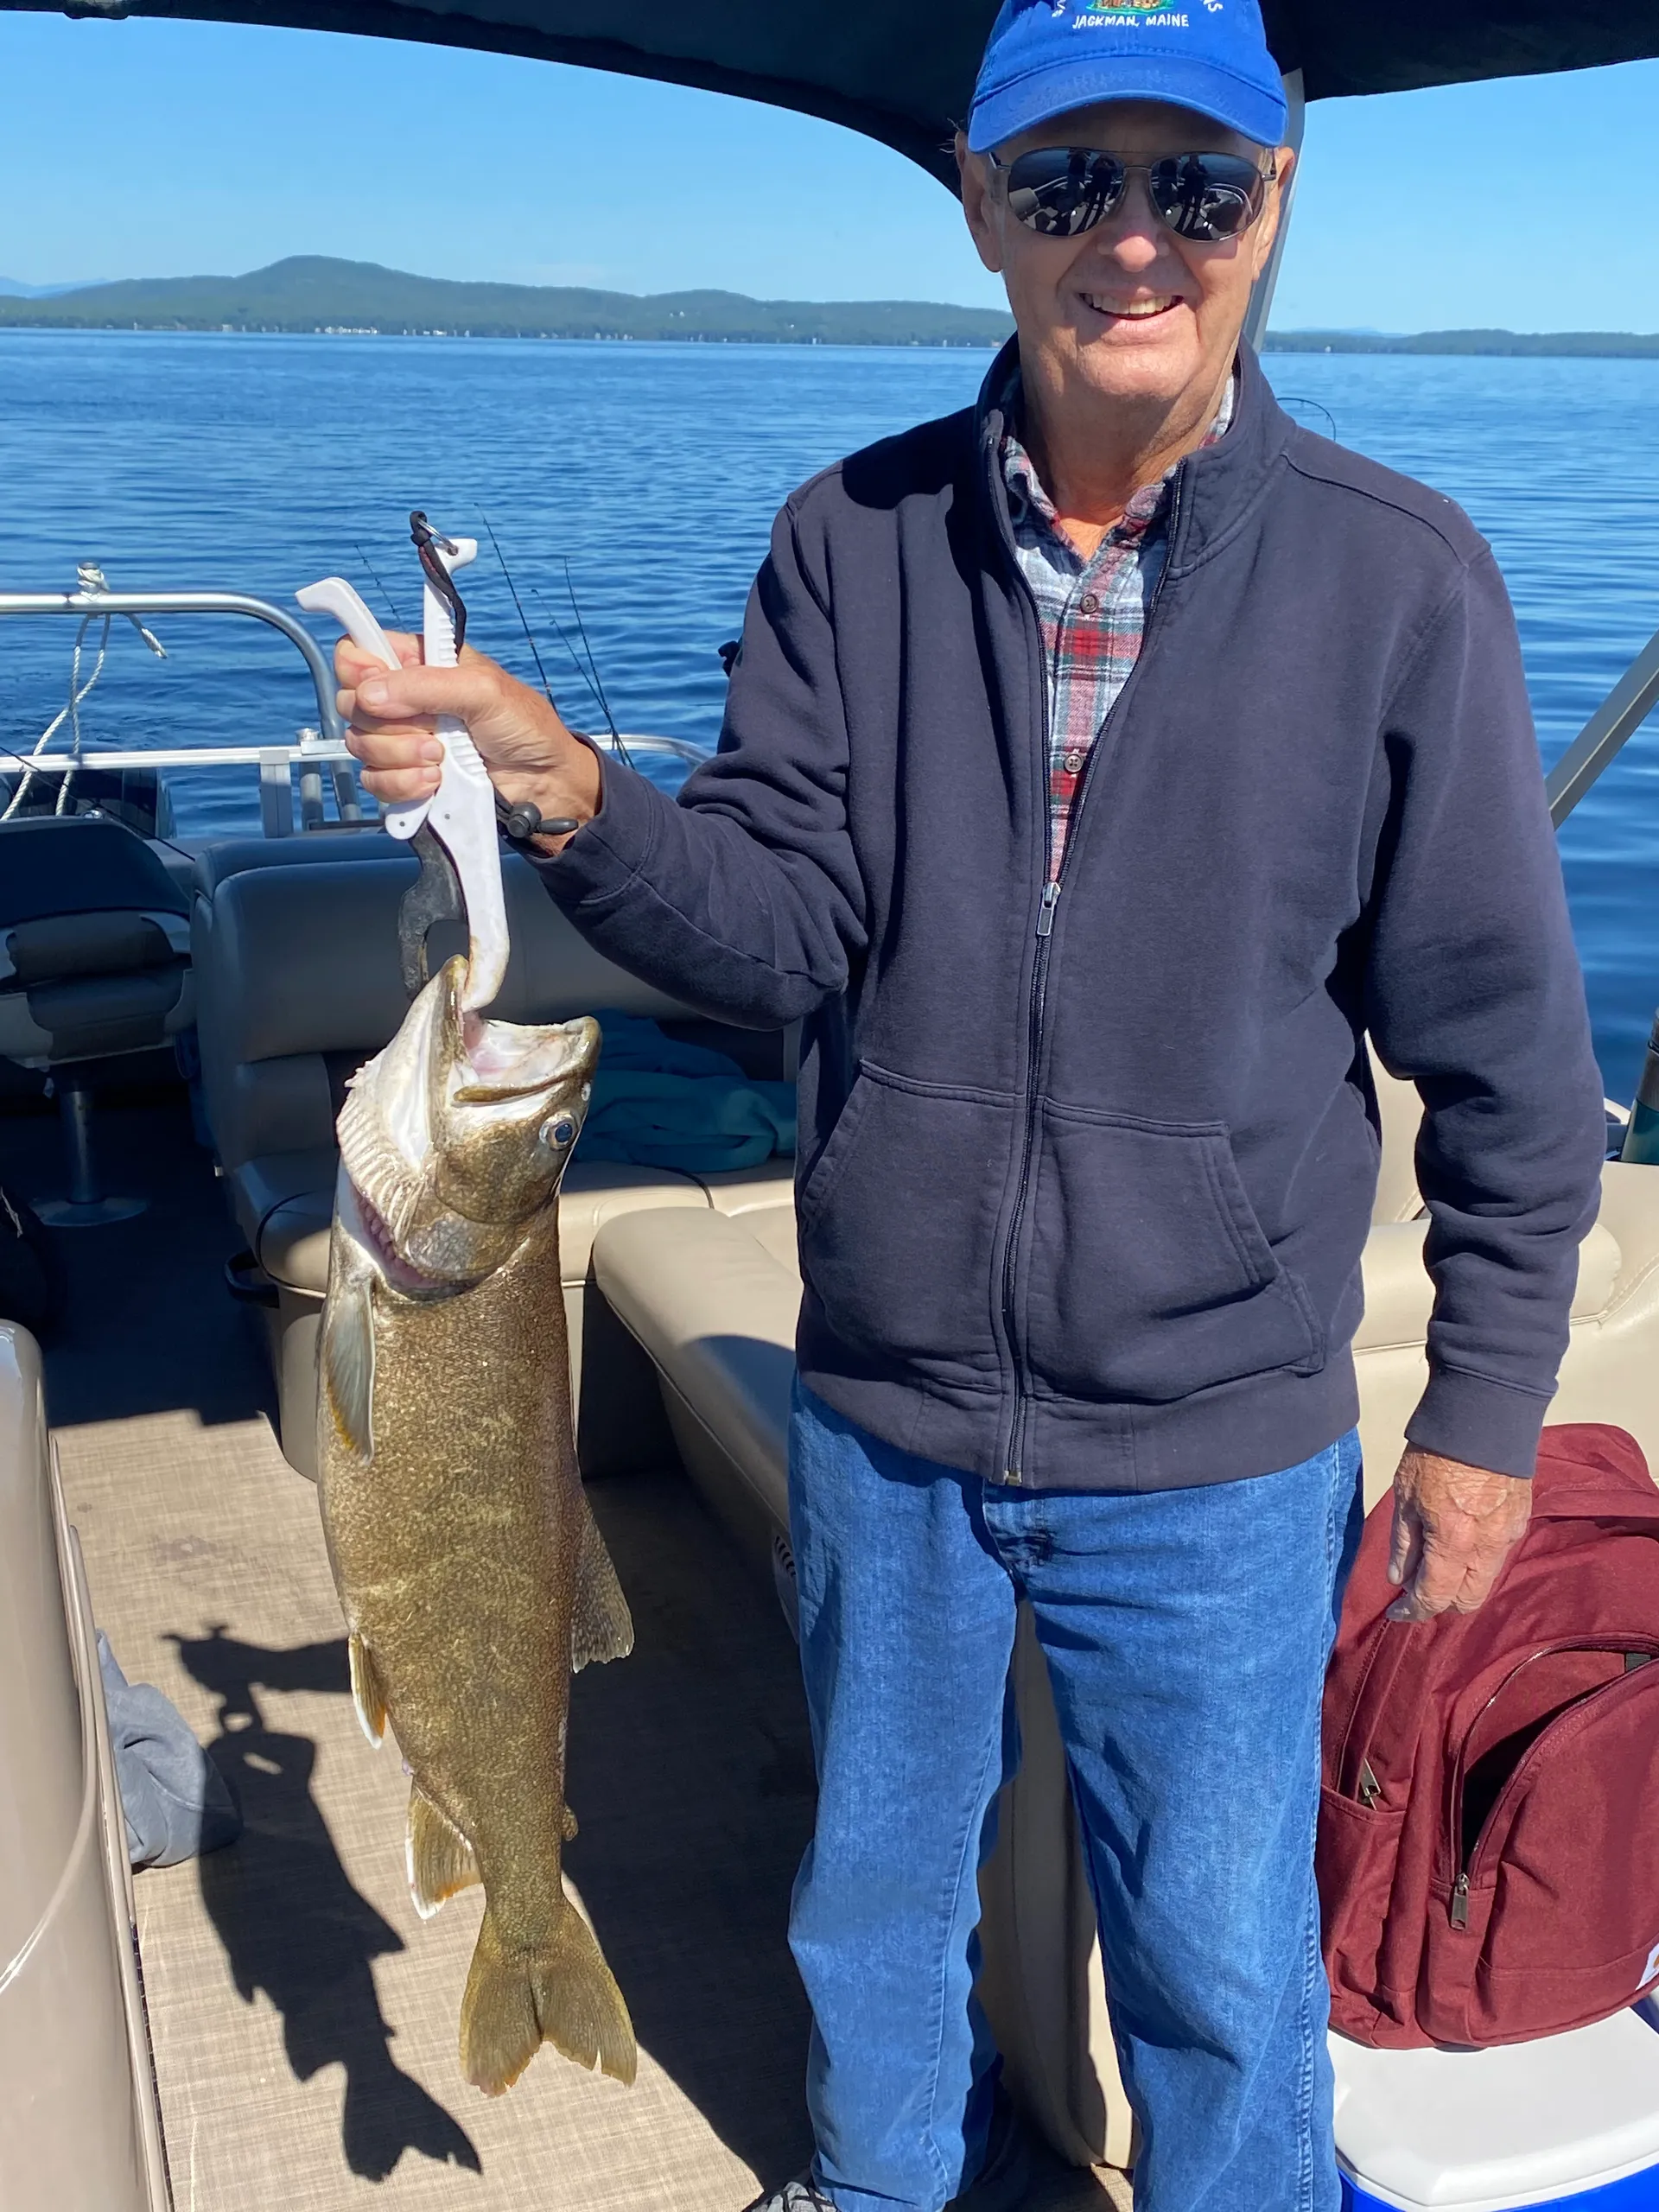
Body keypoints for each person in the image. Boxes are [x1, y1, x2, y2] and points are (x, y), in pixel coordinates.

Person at [337, 2, 1606, 2202]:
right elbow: (774, 934)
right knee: (870, 1903)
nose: (1136, 239)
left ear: (1273, 201)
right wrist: (564, 790)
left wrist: (1484, 1412)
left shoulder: (1405, 579)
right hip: (887, 1414)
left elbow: (1508, 1055)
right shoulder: (850, 537)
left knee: (1221, 1963)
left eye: (1195, 183)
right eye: (1070, 182)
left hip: (1219, 1451)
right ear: (979, 206)